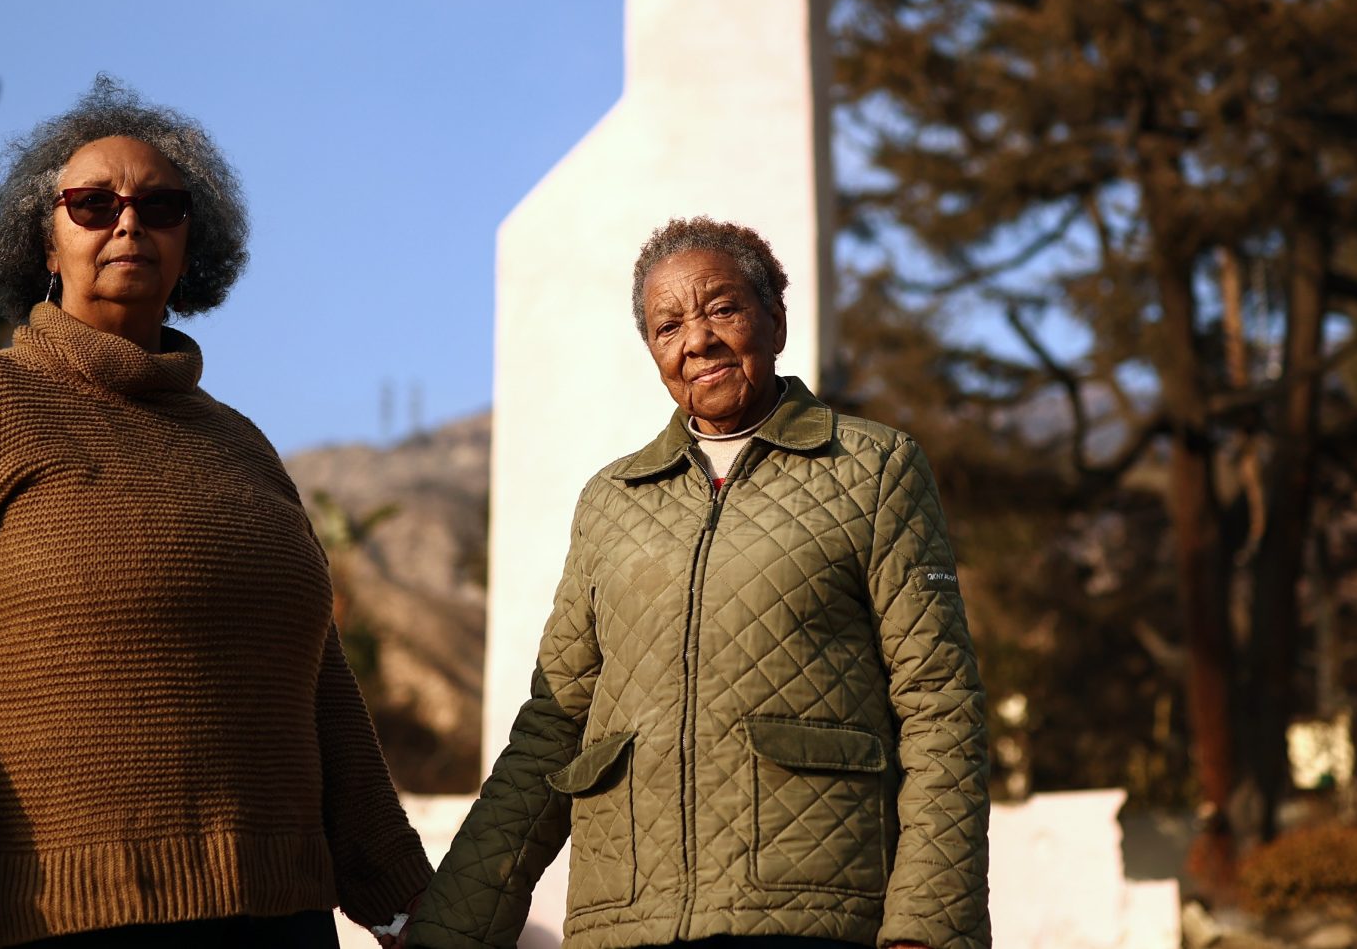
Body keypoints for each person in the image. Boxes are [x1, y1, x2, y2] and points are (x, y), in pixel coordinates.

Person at [0, 80, 431, 949]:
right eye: (92, 203)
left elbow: (321, 692)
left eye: (160, 204)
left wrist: (408, 898)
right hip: (67, 918)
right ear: (46, 236)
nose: (127, 221)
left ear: (194, 241)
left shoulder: (245, 447)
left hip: (284, 921)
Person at [407, 218, 989, 949]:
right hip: (624, 922)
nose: (698, 339)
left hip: (810, 911)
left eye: (721, 307)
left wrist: (929, 927)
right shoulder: (611, 499)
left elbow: (940, 705)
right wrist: (447, 932)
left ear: (774, 316)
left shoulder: (874, 469)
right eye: (667, 325)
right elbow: (553, 727)